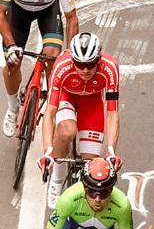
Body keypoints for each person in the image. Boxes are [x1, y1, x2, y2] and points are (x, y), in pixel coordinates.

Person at [0, 0, 79, 136]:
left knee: (53, 57)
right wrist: (10, 45)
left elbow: (71, 17)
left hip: (48, 12)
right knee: (12, 64)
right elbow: (0, 12)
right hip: (19, 14)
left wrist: (70, 53)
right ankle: (13, 108)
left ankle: (53, 105)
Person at [42, 31, 120, 210]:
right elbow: (50, 112)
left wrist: (110, 150)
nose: (85, 70)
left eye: (90, 64)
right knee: (67, 131)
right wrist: (47, 151)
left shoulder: (110, 67)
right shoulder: (62, 66)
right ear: (72, 61)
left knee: (90, 164)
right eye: (80, 64)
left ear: (99, 59)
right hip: (66, 97)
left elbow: (112, 113)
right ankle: (57, 179)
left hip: (91, 104)